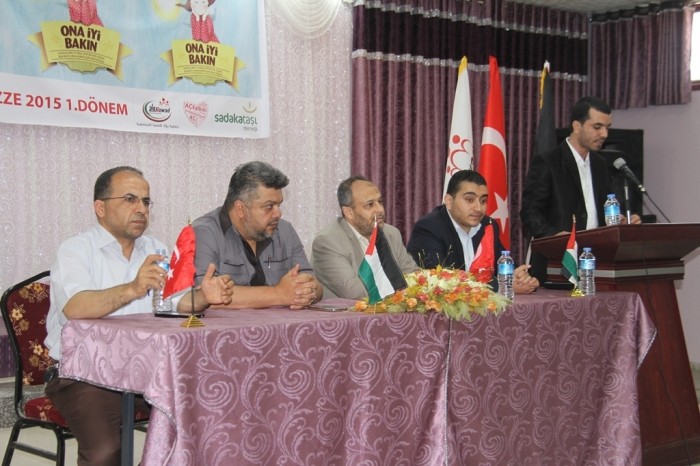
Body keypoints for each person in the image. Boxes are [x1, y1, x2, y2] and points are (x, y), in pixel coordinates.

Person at [44, 166, 234, 466]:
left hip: (149, 372)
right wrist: (133, 288)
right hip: (84, 374)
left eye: (146, 201)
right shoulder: (75, 250)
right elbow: (76, 307)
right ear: (100, 208)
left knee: (208, 420)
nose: (141, 209)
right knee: (105, 452)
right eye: (130, 199)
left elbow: (172, 303)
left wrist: (203, 297)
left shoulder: (155, 248)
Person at [520, 96, 641, 283]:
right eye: (597, 127)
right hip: (557, 263)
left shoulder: (600, 164)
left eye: (607, 127)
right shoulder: (548, 161)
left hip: (595, 263)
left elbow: (599, 209)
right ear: (577, 126)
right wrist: (553, 236)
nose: (604, 134)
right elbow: (530, 211)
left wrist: (619, 221)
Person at [192, 161, 323, 309]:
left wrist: (307, 292)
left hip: (279, 322)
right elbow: (205, 294)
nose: (278, 214)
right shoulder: (205, 232)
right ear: (240, 208)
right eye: (269, 206)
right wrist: (278, 294)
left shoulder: (285, 230)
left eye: (279, 205)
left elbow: (314, 284)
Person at [407, 170, 539, 294]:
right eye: (469, 200)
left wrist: (517, 276)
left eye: (483, 201)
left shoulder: (488, 225)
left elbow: (501, 263)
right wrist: (503, 286)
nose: (479, 208)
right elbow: (441, 280)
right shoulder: (429, 228)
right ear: (449, 201)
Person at [312, 176, 419, 299]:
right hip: (348, 310)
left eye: (380, 202)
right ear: (349, 212)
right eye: (370, 205)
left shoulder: (391, 233)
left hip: (394, 309)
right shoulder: (328, 242)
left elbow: (414, 275)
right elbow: (355, 293)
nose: (380, 210)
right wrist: (401, 287)